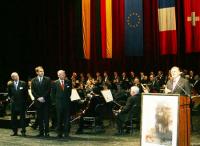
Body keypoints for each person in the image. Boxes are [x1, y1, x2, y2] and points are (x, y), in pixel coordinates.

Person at [51, 70, 72, 138]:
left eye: (64, 74)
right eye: (62, 74)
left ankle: (66, 133)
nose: (63, 75)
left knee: (66, 119)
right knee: (59, 119)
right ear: (58, 75)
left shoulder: (68, 82)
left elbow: (69, 92)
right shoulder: (55, 83)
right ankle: (59, 133)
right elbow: (52, 94)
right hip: (58, 104)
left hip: (67, 104)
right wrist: (55, 103)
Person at [31, 66, 51, 137]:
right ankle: (41, 132)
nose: (42, 72)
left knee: (46, 117)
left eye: (42, 71)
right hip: (38, 101)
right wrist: (38, 98)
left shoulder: (48, 79)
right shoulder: (33, 80)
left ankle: (47, 132)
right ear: (37, 72)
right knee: (39, 117)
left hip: (46, 101)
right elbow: (32, 91)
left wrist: (43, 97)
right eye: (40, 71)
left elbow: (48, 90)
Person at [7, 72, 28, 136]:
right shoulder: (10, 85)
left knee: (22, 118)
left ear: (18, 76)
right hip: (14, 104)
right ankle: (14, 131)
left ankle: (23, 131)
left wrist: (24, 102)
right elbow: (10, 94)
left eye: (16, 76)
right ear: (12, 78)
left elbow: (26, 94)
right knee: (13, 118)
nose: (15, 77)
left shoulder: (23, 83)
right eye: (13, 76)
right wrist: (12, 100)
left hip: (22, 104)